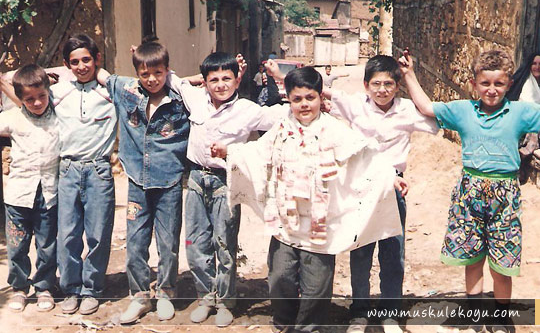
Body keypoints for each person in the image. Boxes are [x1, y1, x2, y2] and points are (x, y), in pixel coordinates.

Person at [211, 66, 407, 332]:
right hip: (286, 220)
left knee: (317, 284)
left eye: (310, 98)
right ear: (289, 100)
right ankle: (284, 323)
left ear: (320, 98)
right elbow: (257, 152)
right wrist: (229, 152)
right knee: (280, 276)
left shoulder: (334, 130)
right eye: (297, 99)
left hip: (319, 223)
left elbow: (366, 156)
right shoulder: (282, 129)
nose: (304, 104)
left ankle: (309, 327)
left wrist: (390, 177)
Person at [400, 50, 540, 332]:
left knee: (502, 262)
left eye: (499, 84)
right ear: (474, 84)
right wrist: (408, 74)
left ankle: (501, 318)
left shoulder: (521, 112)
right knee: (473, 257)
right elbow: (426, 107)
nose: (492, 90)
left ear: (509, 84)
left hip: (505, 197)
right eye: (485, 83)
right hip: (469, 194)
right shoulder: (462, 110)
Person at [167, 52, 285, 327]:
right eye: (214, 80)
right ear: (205, 82)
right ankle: (206, 297)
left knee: (224, 245)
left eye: (226, 78)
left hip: (225, 183)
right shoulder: (196, 99)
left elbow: (282, 116)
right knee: (195, 244)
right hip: (196, 180)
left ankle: (225, 302)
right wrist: (196, 79)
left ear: (237, 80)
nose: (220, 85)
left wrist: (280, 79)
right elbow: (172, 79)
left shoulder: (247, 110)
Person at [323, 55, 439, 333]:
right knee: (361, 253)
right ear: (366, 85)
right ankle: (360, 312)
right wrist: (281, 76)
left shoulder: (407, 110)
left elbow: (436, 119)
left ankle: (390, 314)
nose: (382, 90)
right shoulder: (355, 106)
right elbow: (325, 92)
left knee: (392, 254)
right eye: (376, 84)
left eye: (388, 84)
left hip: (393, 189)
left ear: (397, 86)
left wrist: (410, 75)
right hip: (361, 188)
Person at [98, 41, 190, 324]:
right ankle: (139, 296)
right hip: (137, 181)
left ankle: (166, 293)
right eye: (144, 74)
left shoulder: (181, 99)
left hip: (169, 182)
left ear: (167, 71)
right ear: (136, 73)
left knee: (168, 242)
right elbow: (101, 74)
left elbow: (200, 85)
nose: (151, 79)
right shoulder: (127, 92)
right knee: (136, 243)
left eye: (158, 73)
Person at [48, 34, 118, 316]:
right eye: (74, 62)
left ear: (97, 59)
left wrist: (104, 75)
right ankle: (71, 289)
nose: (81, 66)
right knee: (68, 234)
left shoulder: (110, 92)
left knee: (98, 234)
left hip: (98, 170)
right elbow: (24, 87)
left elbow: (144, 84)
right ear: (67, 64)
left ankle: (92, 289)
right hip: (67, 170)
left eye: (86, 59)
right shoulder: (57, 92)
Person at [1, 64, 59, 313]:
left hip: (49, 193)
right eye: (29, 99)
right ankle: (19, 287)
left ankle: (45, 286)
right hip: (18, 195)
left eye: (41, 96)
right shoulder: (12, 118)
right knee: (17, 245)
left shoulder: (58, 116)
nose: (36, 103)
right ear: (19, 99)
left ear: (48, 91)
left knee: (47, 244)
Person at [506, 52, 540, 182]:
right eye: (534, 64)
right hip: (523, 119)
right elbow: (528, 105)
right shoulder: (526, 83)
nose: (537, 67)